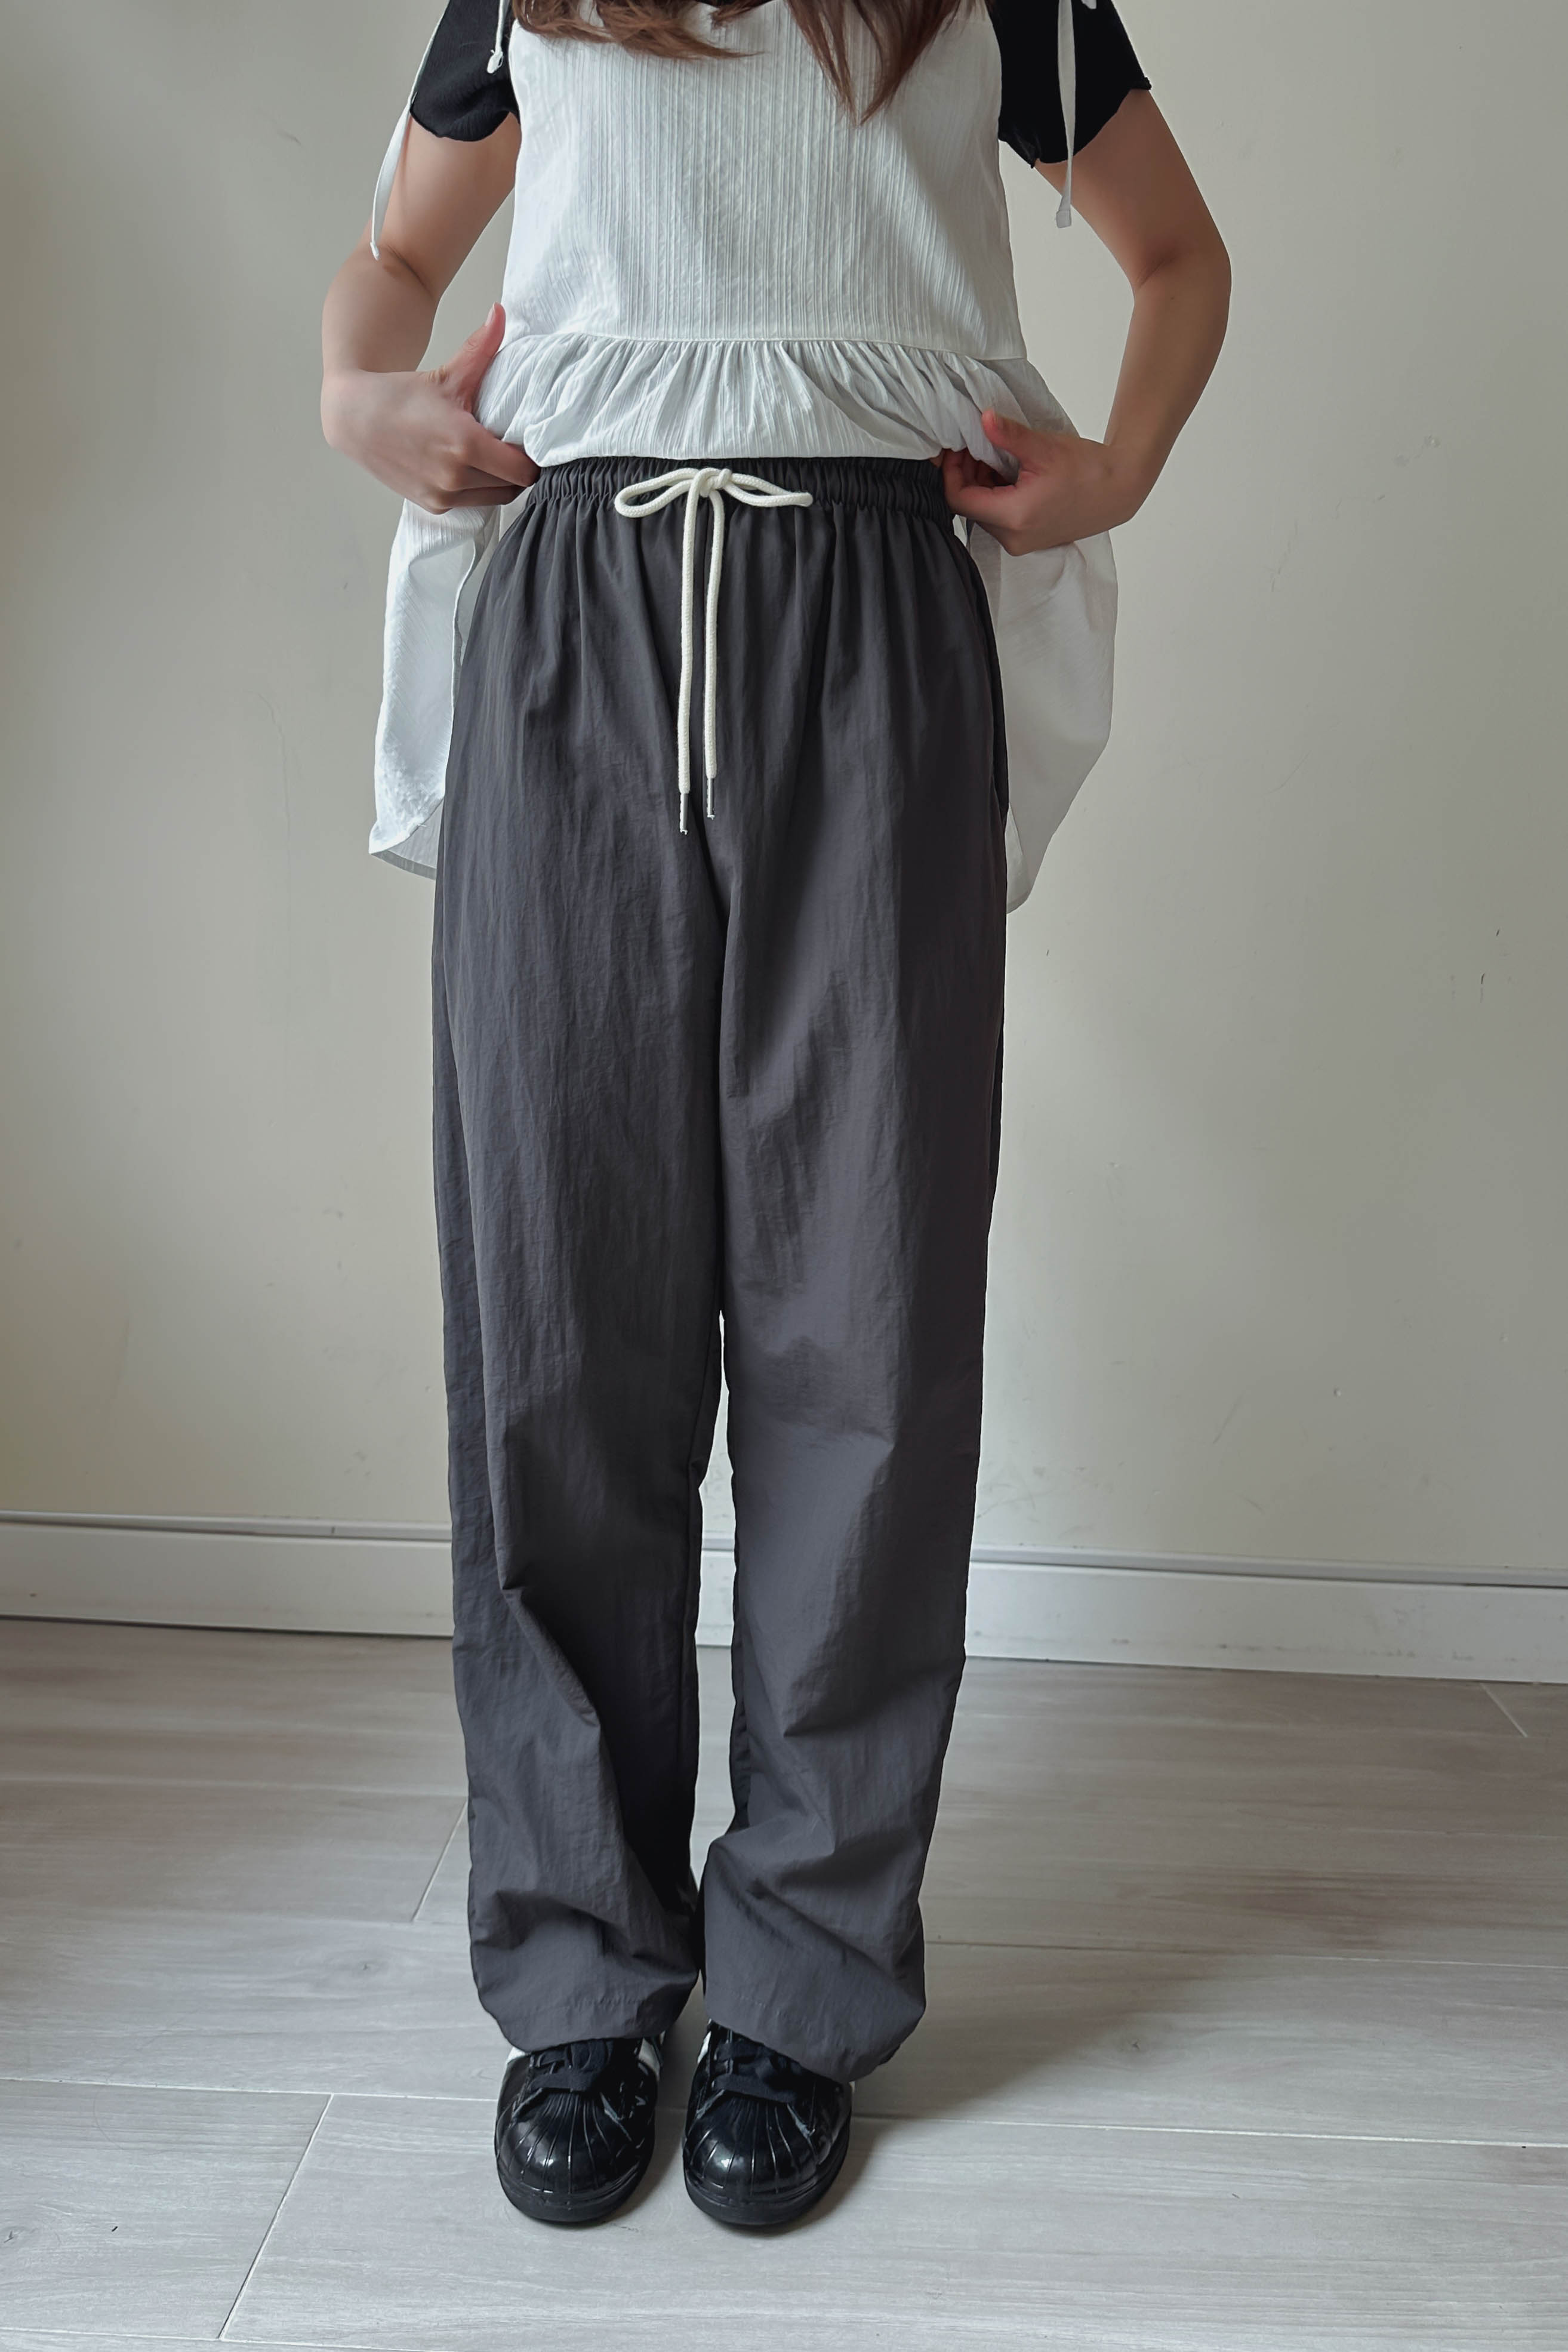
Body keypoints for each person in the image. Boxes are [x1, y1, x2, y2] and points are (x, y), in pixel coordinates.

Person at [321, 0, 1227, 2233]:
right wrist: (357, 392)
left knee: (867, 1330)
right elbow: (395, 260)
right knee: (557, 1322)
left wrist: (1115, 463)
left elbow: (1177, 256)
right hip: (578, 613)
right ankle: (581, 1967)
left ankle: (804, 1980)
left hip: (871, 619)